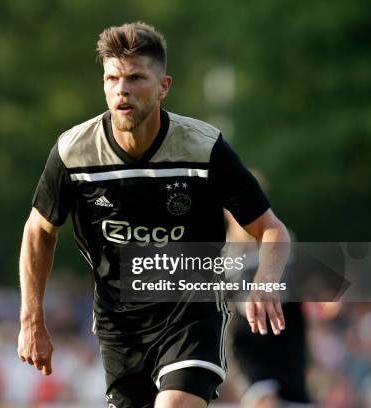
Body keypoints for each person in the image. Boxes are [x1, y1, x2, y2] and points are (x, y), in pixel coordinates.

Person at [18, 21, 290, 408]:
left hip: (191, 316)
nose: (122, 89)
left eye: (135, 78)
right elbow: (38, 232)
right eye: (112, 78)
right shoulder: (74, 153)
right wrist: (32, 319)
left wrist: (266, 282)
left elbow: (272, 230)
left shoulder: (203, 148)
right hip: (120, 327)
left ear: (163, 87)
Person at [224, 172, 313, 408]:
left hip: (288, 346)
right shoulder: (221, 256)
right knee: (265, 402)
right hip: (247, 349)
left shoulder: (284, 247)